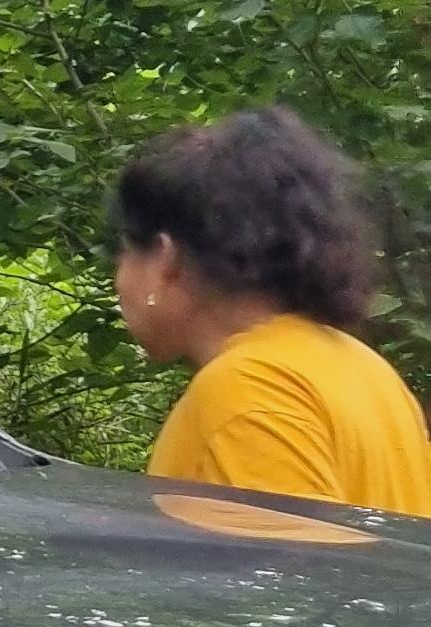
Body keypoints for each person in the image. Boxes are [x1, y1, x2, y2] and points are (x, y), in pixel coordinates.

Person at [112, 106, 431, 518]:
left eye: (124, 251)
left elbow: (289, 560)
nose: (119, 277)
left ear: (165, 258)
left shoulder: (248, 390)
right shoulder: (362, 367)